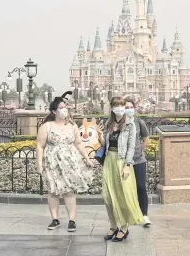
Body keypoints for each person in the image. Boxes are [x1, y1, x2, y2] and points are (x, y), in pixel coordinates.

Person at [36, 91, 94, 233]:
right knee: (53, 191)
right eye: (61, 107)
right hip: (52, 162)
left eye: (65, 107)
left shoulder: (72, 126)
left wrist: (87, 158)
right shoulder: (47, 127)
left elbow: (79, 143)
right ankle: (55, 219)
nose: (64, 110)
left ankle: (72, 220)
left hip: (69, 161)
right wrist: (39, 164)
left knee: (69, 191)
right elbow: (39, 145)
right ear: (54, 111)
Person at [96, 96, 144, 242]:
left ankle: (123, 227)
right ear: (111, 108)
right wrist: (99, 136)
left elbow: (131, 147)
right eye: (117, 105)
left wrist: (127, 165)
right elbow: (106, 143)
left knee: (122, 195)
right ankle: (113, 225)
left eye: (122, 105)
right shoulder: (108, 123)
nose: (120, 108)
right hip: (109, 160)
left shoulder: (130, 124)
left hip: (122, 161)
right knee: (108, 196)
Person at [125, 98, 151, 227]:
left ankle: (144, 214)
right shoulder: (120, 123)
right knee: (126, 188)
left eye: (131, 107)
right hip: (124, 161)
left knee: (141, 187)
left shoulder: (139, 122)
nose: (129, 109)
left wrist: (141, 150)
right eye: (126, 107)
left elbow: (146, 138)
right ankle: (128, 214)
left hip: (138, 160)